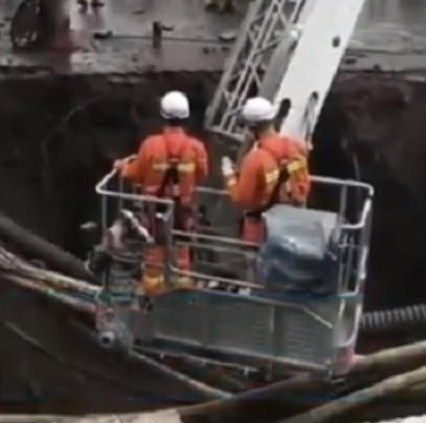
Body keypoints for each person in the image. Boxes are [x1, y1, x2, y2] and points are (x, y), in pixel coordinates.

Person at [115, 91, 210, 294]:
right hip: (184, 207)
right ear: (185, 117)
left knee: (155, 248)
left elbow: (135, 174)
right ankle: (183, 286)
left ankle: (152, 290)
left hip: (154, 209)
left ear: (163, 116)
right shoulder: (196, 147)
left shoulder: (151, 145)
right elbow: (202, 173)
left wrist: (122, 166)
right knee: (183, 246)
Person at [221, 97, 311, 244]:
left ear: (252, 129)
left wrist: (228, 174)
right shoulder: (297, 146)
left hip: (263, 230)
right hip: (295, 223)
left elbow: (241, 199)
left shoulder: (254, 160)